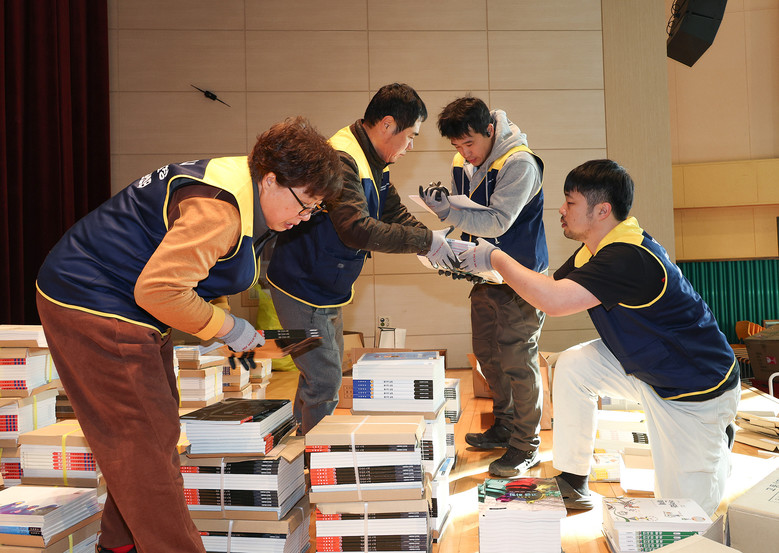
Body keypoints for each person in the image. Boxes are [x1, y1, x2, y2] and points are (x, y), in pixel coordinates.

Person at [35, 117, 343, 553]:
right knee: (143, 441)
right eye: (304, 204)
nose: (305, 217)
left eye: (315, 209)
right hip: (93, 301)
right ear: (271, 180)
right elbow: (159, 290)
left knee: (154, 430)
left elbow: (201, 272)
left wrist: (226, 325)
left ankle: (119, 544)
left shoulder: (241, 185)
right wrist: (228, 327)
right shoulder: (219, 211)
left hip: (127, 305)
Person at [458, 159, 740, 515]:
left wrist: (494, 257)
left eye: (570, 202)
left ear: (602, 210)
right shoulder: (595, 251)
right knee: (575, 366)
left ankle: (715, 440)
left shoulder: (627, 257)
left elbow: (553, 301)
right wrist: (478, 264)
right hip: (649, 367)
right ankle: (573, 480)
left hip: (695, 392)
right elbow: (546, 286)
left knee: (685, 514)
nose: (561, 210)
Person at [266, 83, 457, 434]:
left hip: (325, 286)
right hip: (302, 284)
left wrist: (436, 245)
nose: (411, 146)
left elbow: (392, 210)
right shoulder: (344, 158)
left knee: (319, 375)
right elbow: (356, 229)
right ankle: (318, 460)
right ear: (387, 125)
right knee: (324, 380)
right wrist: (427, 241)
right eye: (410, 136)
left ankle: (302, 447)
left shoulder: (372, 160)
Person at [420, 96, 548, 477]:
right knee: (487, 354)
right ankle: (505, 425)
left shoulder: (520, 163)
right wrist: (450, 248)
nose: (464, 153)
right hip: (485, 272)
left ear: (490, 130)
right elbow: (466, 216)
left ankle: (527, 444)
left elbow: (496, 222)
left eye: (470, 143)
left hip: (522, 276)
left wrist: (448, 211)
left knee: (518, 360)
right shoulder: (463, 161)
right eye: (457, 146)